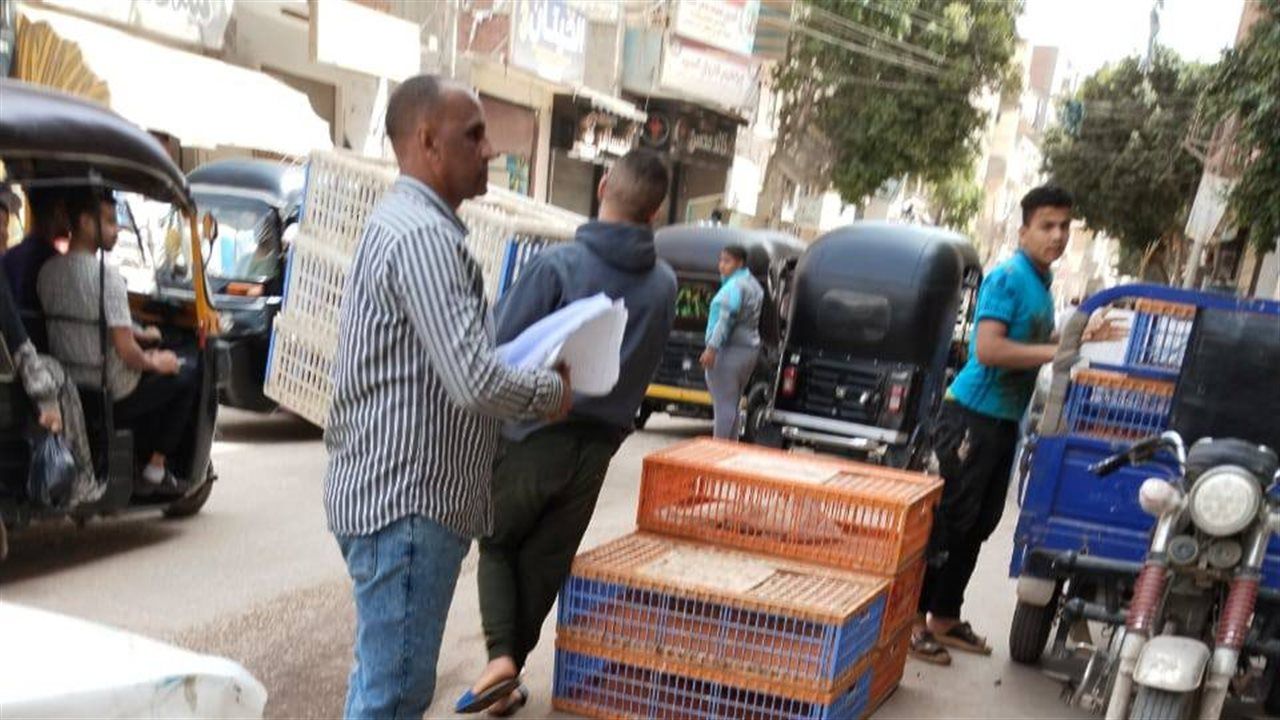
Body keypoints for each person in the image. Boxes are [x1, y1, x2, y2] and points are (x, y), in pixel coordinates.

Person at [323, 75, 571, 720]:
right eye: (474, 135)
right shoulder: (424, 239)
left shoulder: (411, 226)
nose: (489, 149)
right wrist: (549, 391)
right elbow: (474, 380)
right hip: (406, 501)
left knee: (382, 684)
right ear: (428, 141)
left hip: (397, 496)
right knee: (393, 694)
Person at [459, 150, 677, 716]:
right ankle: (507, 675)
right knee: (544, 562)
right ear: (655, 212)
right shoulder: (664, 285)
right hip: (597, 448)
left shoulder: (558, 266)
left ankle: (500, 660)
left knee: (498, 541)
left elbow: (497, 347)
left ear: (603, 186)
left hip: (534, 431)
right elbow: (645, 367)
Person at [910, 185, 1072, 666]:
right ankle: (913, 621)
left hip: (1001, 422)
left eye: (1064, 226)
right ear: (1024, 232)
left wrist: (1074, 338)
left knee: (978, 524)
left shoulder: (1040, 281)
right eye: (1047, 225)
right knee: (949, 524)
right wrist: (1056, 351)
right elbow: (989, 349)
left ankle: (945, 616)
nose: (1057, 235)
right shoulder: (1007, 277)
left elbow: (1031, 341)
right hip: (970, 417)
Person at [38, 188, 195, 489]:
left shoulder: (47, 272)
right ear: (85, 222)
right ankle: (156, 468)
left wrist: (140, 335)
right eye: (110, 221)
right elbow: (127, 351)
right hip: (112, 390)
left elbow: (92, 321)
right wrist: (156, 361)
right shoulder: (107, 278)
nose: (117, 229)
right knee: (186, 371)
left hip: (70, 384)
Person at [699, 244, 763, 440]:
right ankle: (730, 449)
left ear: (740, 263)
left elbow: (725, 320)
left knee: (723, 406)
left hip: (728, 351)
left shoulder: (734, 287)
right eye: (720, 260)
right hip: (749, 351)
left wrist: (712, 349)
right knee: (732, 404)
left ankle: (718, 450)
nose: (721, 265)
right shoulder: (754, 285)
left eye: (727, 261)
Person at [2, 187, 70, 351]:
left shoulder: (8, 258)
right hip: (44, 356)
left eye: (5, 224)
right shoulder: (58, 265)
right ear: (59, 211)